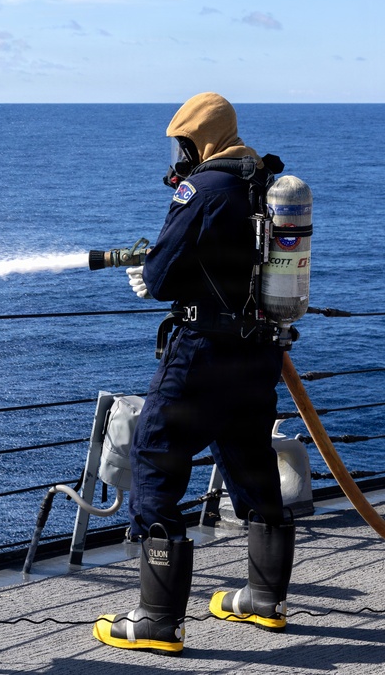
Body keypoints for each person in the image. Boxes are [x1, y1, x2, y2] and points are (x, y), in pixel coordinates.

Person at [92, 92, 295, 656]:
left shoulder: (201, 189)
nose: (178, 155)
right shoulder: (263, 185)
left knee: (156, 458)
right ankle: (264, 601)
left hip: (202, 353)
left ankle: (157, 621)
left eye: (182, 143)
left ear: (198, 140)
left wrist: (147, 270)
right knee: (252, 460)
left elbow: (162, 275)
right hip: (257, 352)